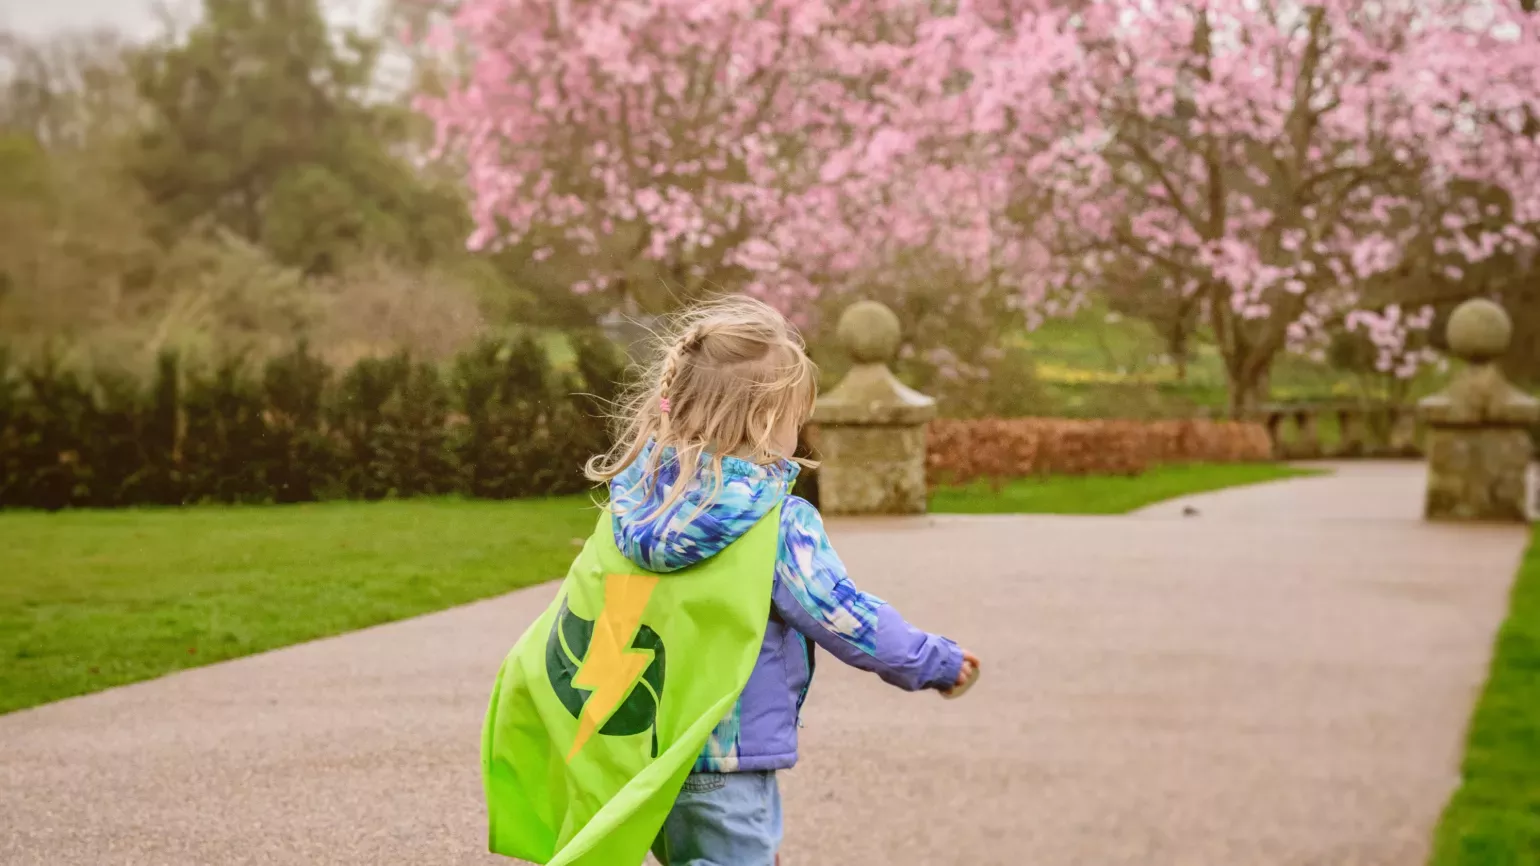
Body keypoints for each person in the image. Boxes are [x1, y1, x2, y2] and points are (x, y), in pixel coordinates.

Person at [583, 295, 979, 866]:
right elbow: (843, 614)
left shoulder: (633, 507)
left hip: (642, 748)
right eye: (797, 417)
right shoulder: (773, 521)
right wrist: (932, 661)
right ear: (768, 421)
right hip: (726, 756)